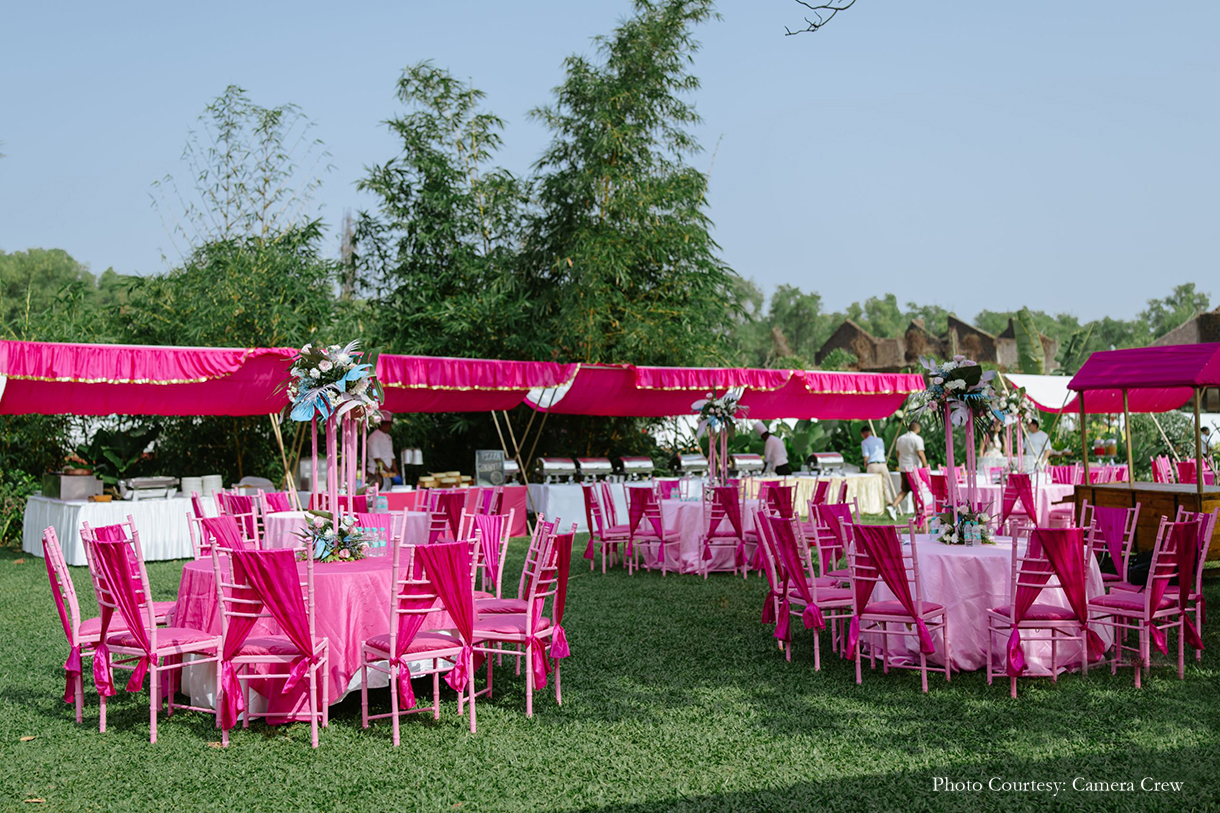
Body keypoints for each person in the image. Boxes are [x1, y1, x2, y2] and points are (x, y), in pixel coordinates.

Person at [888, 421, 927, 519]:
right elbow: (920, 453)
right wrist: (926, 467)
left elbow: (897, 453)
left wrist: (901, 462)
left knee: (904, 490)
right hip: (913, 469)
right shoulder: (917, 439)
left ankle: (893, 506)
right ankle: (916, 513)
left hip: (903, 468)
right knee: (915, 491)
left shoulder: (900, 438)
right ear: (917, 429)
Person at [367, 411, 402, 487]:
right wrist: (391, 474)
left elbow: (392, 457)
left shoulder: (388, 437)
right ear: (383, 424)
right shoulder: (374, 437)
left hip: (387, 475)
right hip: (376, 475)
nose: (390, 427)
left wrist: (397, 474)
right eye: (389, 424)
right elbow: (377, 459)